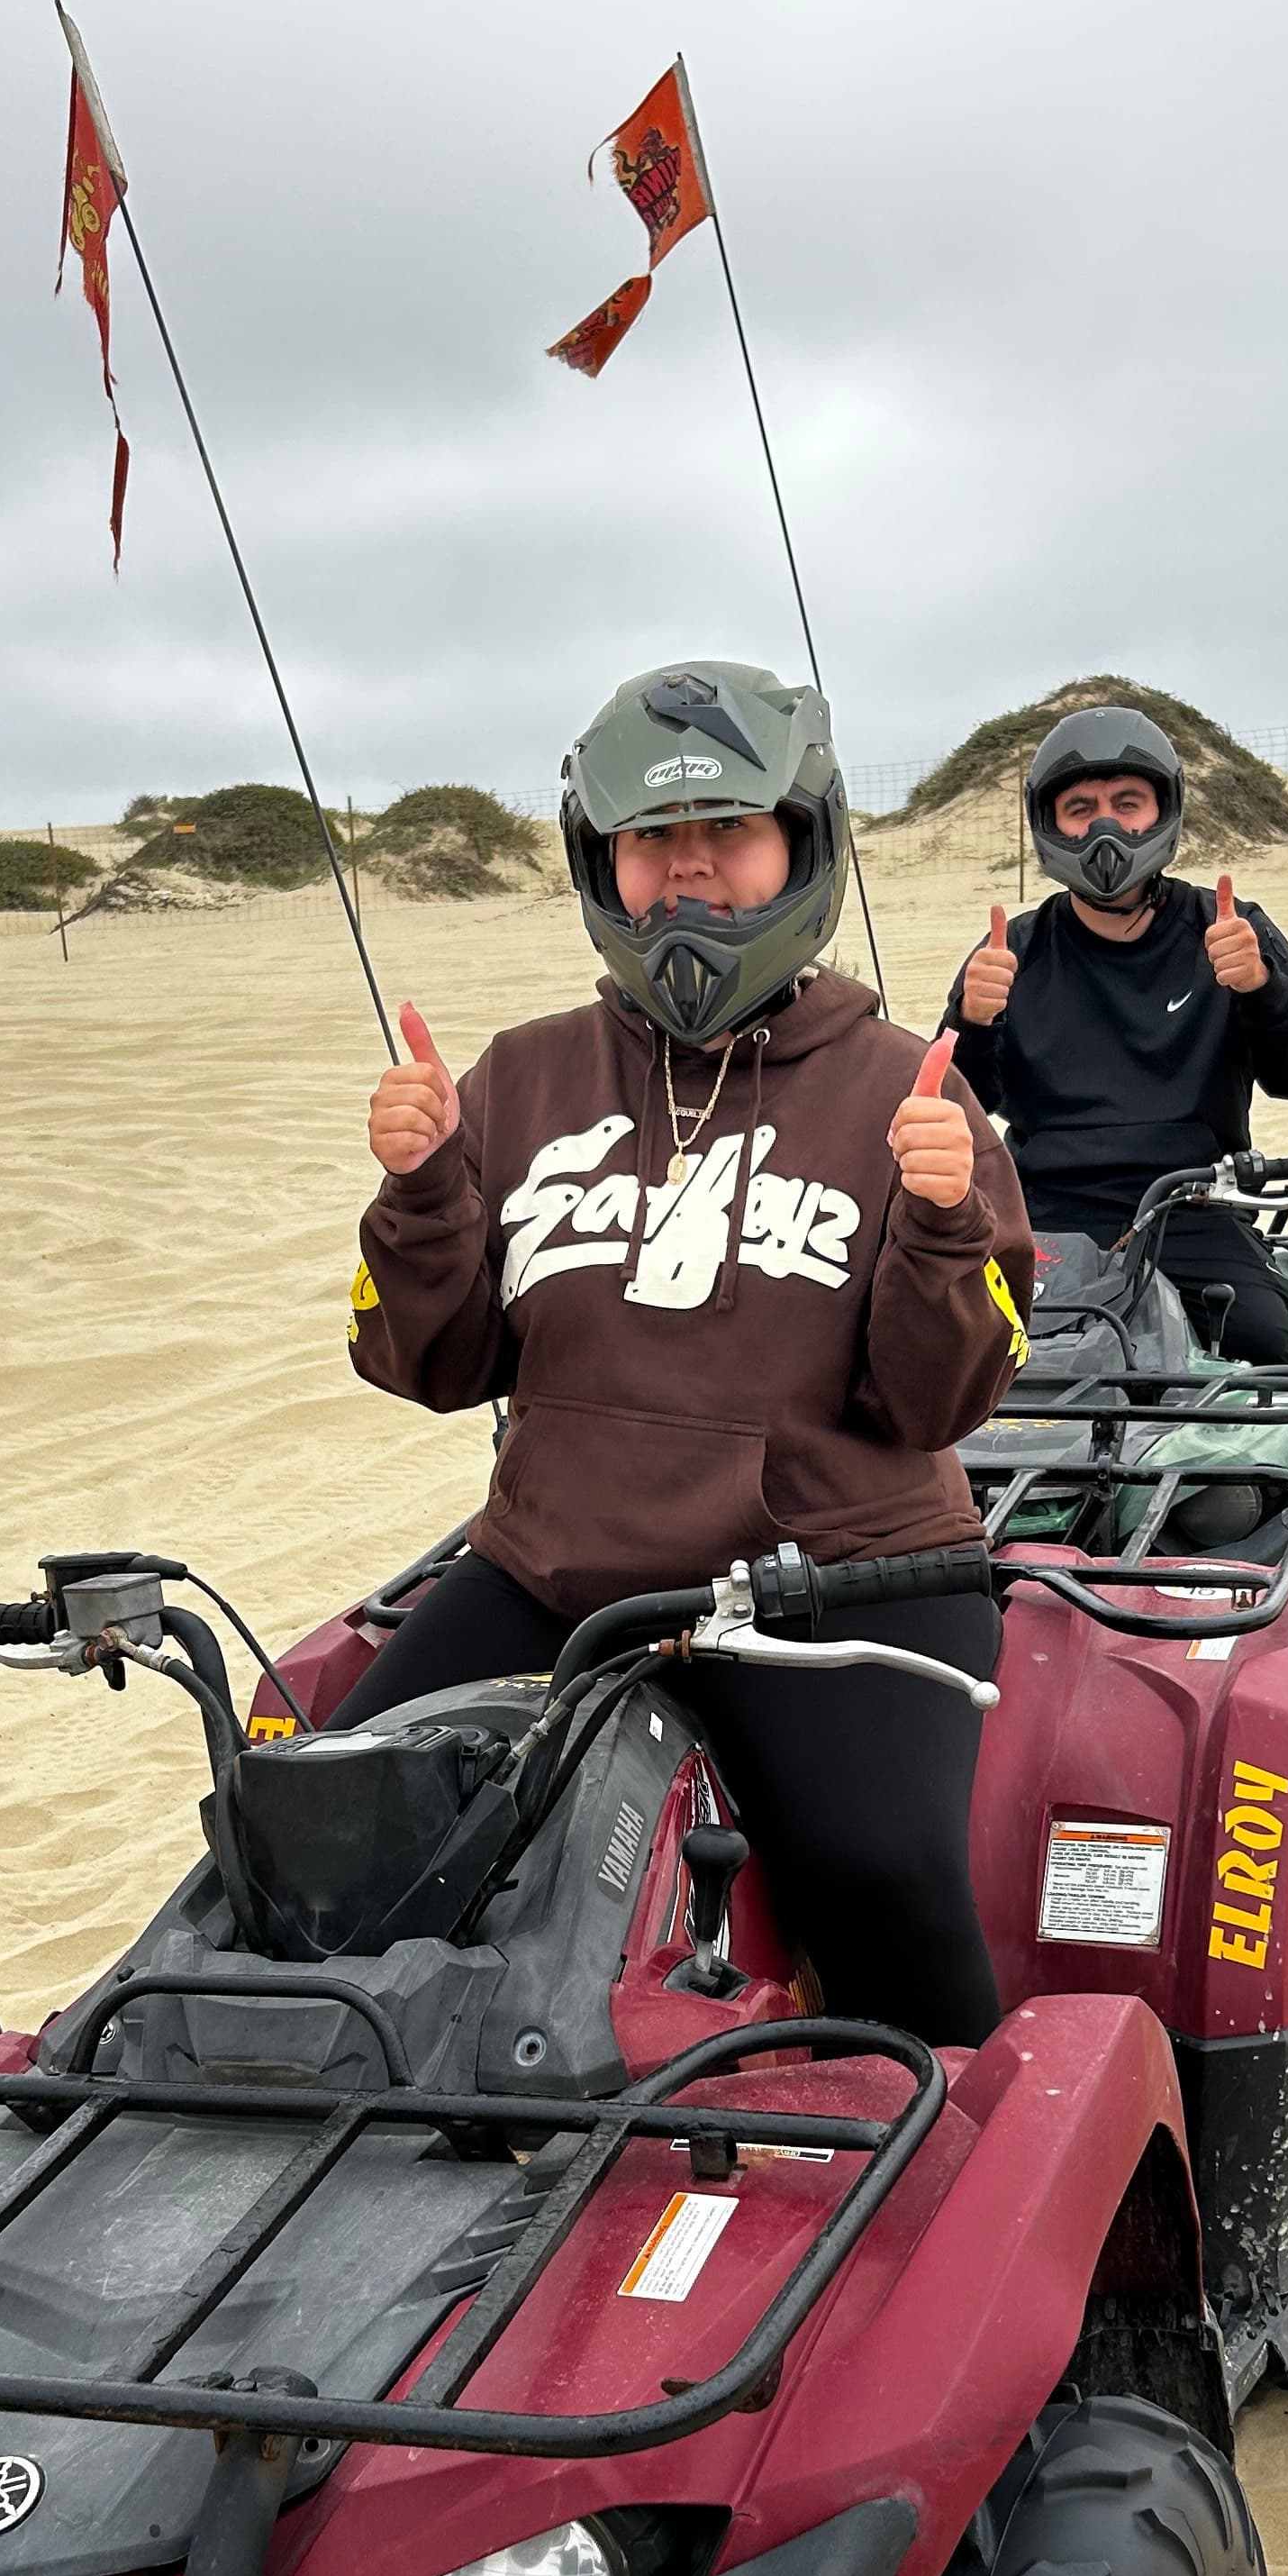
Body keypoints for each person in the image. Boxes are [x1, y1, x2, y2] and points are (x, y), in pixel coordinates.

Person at [341, 657, 1036, 2045]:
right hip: (557, 1572)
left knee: (884, 1874)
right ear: (605, 862)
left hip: (842, 1579)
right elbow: (429, 1361)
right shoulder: (520, 1077)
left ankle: (957, 2160)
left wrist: (947, 1220)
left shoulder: (908, 1085)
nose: (689, 872)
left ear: (803, 842)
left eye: (727, 830)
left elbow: (938, 1398)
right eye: (653, 840)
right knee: (339, 1825)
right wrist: (421, 1194)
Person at [942, 704, 1288, 1363]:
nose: (1105, 825)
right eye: (1081, 807)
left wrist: (1260, 988)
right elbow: (960, 1107)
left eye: (1128, 803)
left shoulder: (1224, 930)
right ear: (1050, 823)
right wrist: (970, 1021)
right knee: (968, 1362)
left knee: (1262, 1349)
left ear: (1164, 812)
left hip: (1192, 1209)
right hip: (1043, 1216)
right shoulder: (1013, 951)